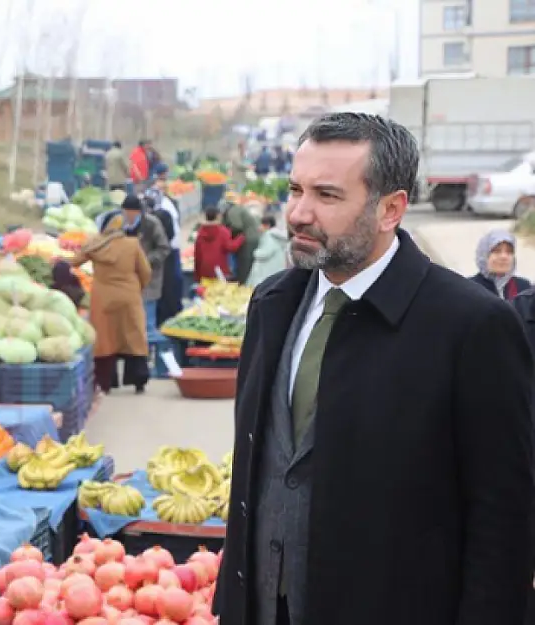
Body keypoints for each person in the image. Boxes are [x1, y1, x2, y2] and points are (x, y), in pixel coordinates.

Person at [215, 112, 533, 625]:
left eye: (327, 195)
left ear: (391, 209)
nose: (298, 213)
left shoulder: (472, 326)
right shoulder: (272, 304)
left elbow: (503, 523)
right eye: (296, 190)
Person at [71, 215, 152, 394]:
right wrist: (138, 287)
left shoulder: (95, 246)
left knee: (106, 339)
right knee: (134, 336)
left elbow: (74, 262)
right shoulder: (132, 244)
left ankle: (107, 382)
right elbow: (145, 271)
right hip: (129, 295)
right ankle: (138, 380)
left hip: (103, 297)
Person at [144, 166, 185, 325]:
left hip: (169, 251)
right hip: (169, 251)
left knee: (167, 289)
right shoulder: (164, 206)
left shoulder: (164, 207)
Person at [470, 229, 531, 301]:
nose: (504, 257)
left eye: (509, 252)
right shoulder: (470, 288)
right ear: (484, 255)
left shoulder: (524, 288)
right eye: (497, 251)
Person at [193, 205, 246, 282]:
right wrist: (241, 238)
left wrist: (197, 275)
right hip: (219, 269)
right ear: (218, 216)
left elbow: (197, 254)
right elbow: (231, 247)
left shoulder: (201, 232)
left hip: (204, 269)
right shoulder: (222, 231)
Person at [222, 199, 263, 284]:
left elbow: (237, 226)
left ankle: (243, 285)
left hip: (248, 239)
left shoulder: (233, 211)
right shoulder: (236, 209)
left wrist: (226, 232)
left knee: (244, 263)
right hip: (250, 237)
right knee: (244, 263)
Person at [245, 214, 290, 287]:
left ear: (267, 225)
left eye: (261, 224)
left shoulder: (269, 236)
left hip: (266, 271)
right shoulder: (277, 237)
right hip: (274, 270)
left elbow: (265, 253)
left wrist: (255, 253)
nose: (259, 227)